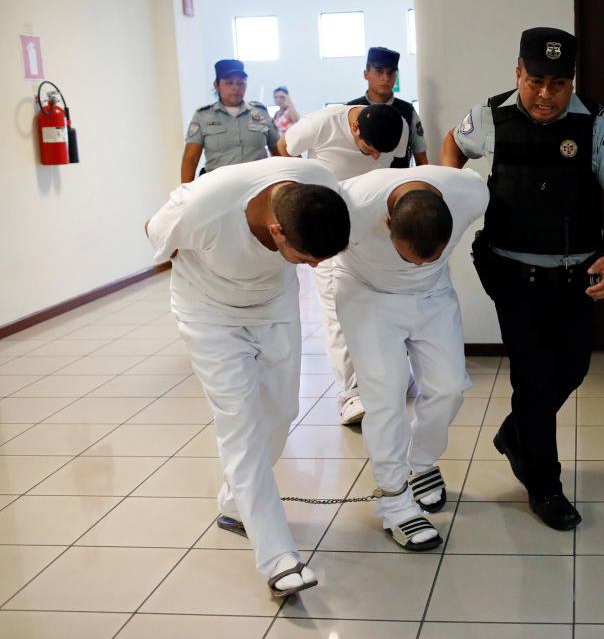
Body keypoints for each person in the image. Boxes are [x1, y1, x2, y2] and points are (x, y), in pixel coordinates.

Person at [440, 27, 604, 531]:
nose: (546, 94)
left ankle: (516, 434)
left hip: (577, 275)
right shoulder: (490, 115)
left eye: (558, 82)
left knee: (571, 370)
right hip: (511, 272)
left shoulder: (597, 122)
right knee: (534, 379)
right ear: (518, 74)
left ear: (571, 80)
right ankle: (544, 484)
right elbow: (452, 144)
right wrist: (455, 192)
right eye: (535, 81)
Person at [145, 157, 350, 597]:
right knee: (241, 426)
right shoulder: (203, 207)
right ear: (277, 229)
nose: (313, 268)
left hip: (273, 306)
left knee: (281, 412)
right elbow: (155, 231)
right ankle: (278, 559)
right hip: (210, 315)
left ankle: (235, 504)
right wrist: (200, 256)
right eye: (305, 259)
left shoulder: (319, 184)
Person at [335, 165, 489, 549]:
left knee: (450, 387)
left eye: (430, 255)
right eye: (411, 256)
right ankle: (395, 502)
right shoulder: (350, 205)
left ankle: (421, 463)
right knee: (385, 398)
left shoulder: (470, 194)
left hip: (433, 295)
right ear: (386, 222)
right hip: (367, 295)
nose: (419, 262)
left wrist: (430, 271)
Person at [279, 103, 407, 425]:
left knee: (383, 303)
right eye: (370, 150)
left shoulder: (397, 126)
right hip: (327, 228)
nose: (377, 157)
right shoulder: (320, 124)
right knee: (337, 311)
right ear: (354, 130)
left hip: (373, 226)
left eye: (383, 151)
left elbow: (395, 171)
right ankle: (350, 395)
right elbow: (284, 150)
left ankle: (389, 376)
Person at [181, 59, 279, 183]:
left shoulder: (261, 113)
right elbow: (191, 159)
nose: (235, 88)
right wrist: (185, 194)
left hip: (258, 186)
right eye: (229, 83)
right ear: (216, 85)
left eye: (240, 83)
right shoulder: (203, 116)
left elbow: (279, 152)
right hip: (218, 187)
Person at [347, 47, 428, 167]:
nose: (385, 78)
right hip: (359, 182)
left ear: (396, 76)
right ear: (366, 74)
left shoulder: (407, 111)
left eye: (390, 72)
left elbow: (422, 161)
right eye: (379, 71)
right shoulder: (350, 110)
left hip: (399, 183)